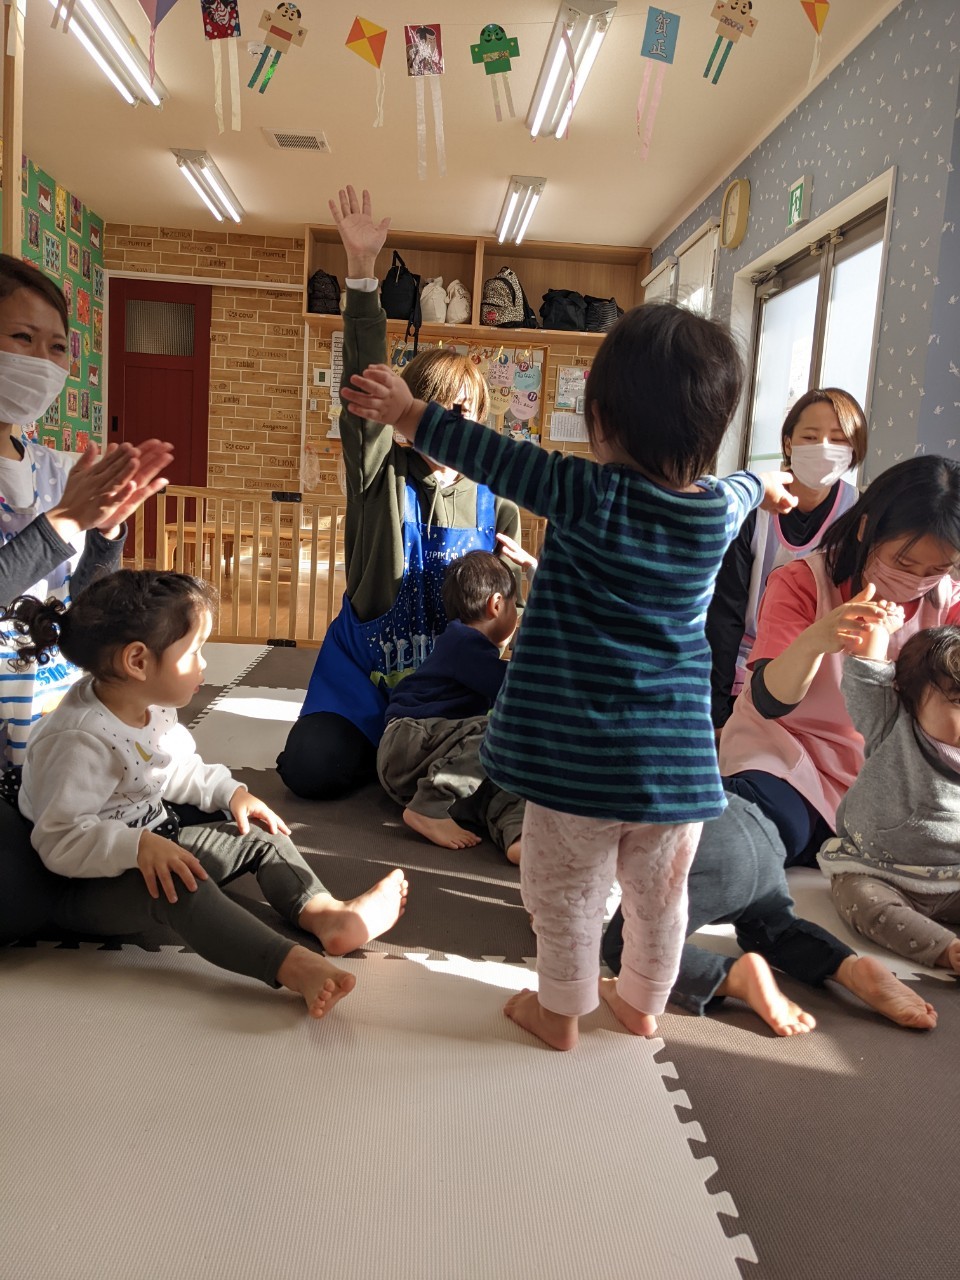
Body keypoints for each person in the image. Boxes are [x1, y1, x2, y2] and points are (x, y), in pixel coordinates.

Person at [340, 302, 797, 1051]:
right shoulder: (716, 510)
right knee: (660, 898)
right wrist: (766, 483)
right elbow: (745, 489)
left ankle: (559, 1013)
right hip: (677, 767)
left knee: (565, 890)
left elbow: (490, 455)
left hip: (577, 759)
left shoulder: (587, 492)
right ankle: (642, 1003)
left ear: (602, 419)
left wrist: (410, 412)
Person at [6, 570, 409, 1018]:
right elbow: (59, 841)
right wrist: (137, 846)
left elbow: (177, 768)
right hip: (82, 885)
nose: (203, 664)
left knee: (258, 833)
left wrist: (230, 793)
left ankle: (326, 915)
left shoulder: (150, 707)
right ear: (137, 661)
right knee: (182, 888)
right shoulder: (78, 739)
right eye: (194, 650)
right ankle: (291, 965)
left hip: (153, 838)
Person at [276, 187, 524, 802]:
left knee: (516, 763)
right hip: (367, 673)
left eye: (465, 410)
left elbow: (507, 616)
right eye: (434, 407)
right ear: (409, 413)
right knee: (310, 768)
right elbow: (362, 396)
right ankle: (396, 752)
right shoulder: (379, 470)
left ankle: (414, 755)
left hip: (449, 690)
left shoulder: (498, 501)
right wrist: (362, 275)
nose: (451, 423)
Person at [0, 253, 173, 945]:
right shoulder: (60, 493)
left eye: (57, 347)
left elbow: (83, 611)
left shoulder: (52, 468)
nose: (43, 362)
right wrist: (65, 520)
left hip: (54, 738)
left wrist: (103, 534)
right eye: (22, 338)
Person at [719, 454, 960, 868]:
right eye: (903, 563)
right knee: (771, 827)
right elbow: (769, 701)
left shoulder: (948, 606)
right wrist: (816, 640)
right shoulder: (802, 582)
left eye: (937, 569)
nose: (916, 581)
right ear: (866, 529)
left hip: (883, 774)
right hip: (789, 750)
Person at [602, 793, 937, 1035]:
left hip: (700, 855)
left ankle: (734, 977)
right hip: (754, 827)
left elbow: (581, 889)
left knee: (627, 948)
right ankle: (846, 967)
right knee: (774, 929)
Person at [706, 388, 866, 730]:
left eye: (838, 439)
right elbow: (725, 614)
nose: (824, 447)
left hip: (823, 676)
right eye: (810, 436)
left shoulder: (859, 515)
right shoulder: (755, 508)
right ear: (789, 443)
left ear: (854, 448)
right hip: (746, 670)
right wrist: (716, 711)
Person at [818, 623, 960, 973]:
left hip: (953, 881)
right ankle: (946, 949)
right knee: (863, 903)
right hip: (878, 871)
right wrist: (874, 642)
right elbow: (867, 685)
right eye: (958, 702)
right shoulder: (892, 726)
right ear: (909, 697)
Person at [377, 549, 524, 862]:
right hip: (410, 740)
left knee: (505, 775)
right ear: (497, 604)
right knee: (503, 732)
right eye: (516, 606)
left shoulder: (468, 648)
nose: (518, 615)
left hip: (435, 762)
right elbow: (518, 691)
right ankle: (429, 806)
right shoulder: (463, 643)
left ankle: (518, 835)